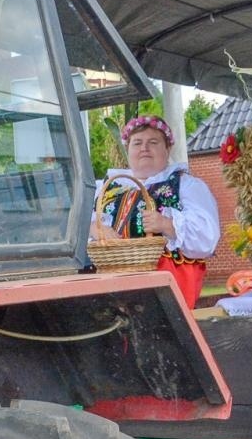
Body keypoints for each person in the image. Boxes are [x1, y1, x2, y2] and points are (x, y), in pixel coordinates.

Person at [92, 114, 219, 305]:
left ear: (167, 149)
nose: (144, 148)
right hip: (115, 279)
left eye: (153, 142)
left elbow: (207, 238)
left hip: (166, 282)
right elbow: (82, 226)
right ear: (127, 150)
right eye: (137, 143)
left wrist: (167, 224)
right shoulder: (109, 188)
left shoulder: (186, 185)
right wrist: (95, 229)